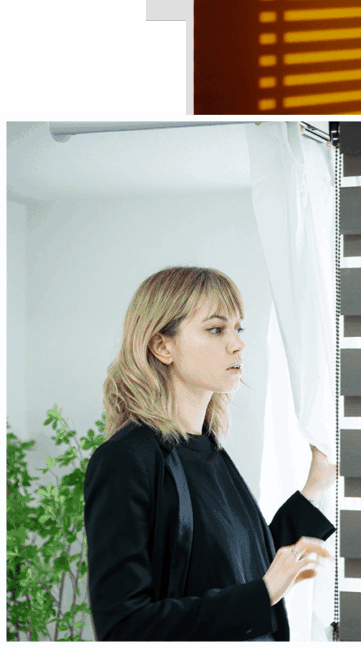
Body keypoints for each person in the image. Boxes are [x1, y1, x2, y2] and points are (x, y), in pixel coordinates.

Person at [84, 267, 336, 641]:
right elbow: (123, 625)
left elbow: (239, 570)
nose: (237, 344)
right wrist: (264, 592)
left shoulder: (210, 450)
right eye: (216, 329)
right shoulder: (125, 461)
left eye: (239, 329)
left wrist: (314, 486)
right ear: (162, 346)